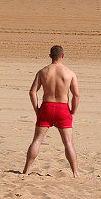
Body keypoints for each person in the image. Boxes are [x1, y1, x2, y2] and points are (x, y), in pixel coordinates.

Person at [22, 44, 80, 177]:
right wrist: (72, 112)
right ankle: (75, 172)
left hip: (46, 107)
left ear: (50, 56)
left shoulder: (42, 72)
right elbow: (76, 95)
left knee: (37, 140)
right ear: (63, 56)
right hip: (62, 109)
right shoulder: (70, 73)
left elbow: (32, 92)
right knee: (68, 143)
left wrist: (37, 110)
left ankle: (26, 170)